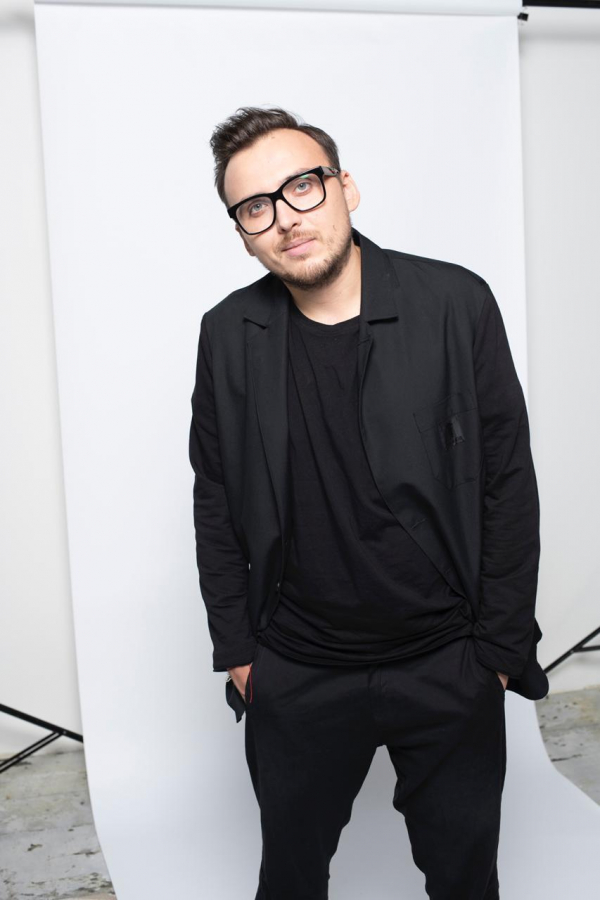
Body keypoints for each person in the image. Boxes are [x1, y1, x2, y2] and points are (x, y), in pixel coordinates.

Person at [189, 105, 548, 900]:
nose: (285, 218)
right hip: (298, 669)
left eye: (302, 187)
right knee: (290, 879)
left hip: (447, 662)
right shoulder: (228, 334)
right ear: (242, 233)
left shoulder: (454, 303)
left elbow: (506, 484)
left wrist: (496, 651)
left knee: (464, 881)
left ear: (345, 187)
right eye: (256, 207)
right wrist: (240, 653)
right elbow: (214, 499)